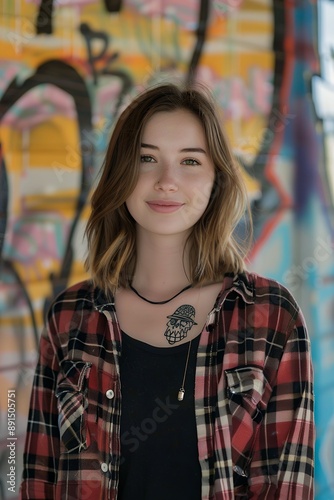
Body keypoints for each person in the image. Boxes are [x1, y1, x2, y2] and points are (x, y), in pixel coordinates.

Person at [20, 83, 314, 499]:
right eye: (146, 158)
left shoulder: (272, 317)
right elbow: (35, 477)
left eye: (190, 161)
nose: (167, 181)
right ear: (121, 172)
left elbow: (287, 487)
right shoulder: (70, 316)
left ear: (217, 179)